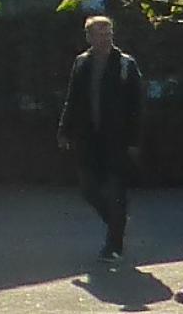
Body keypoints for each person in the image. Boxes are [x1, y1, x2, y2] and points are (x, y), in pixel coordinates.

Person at [57, 13, 144, 262]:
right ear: (89, 37)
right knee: (88, 188)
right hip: (88, 137)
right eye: (100, 34)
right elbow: (72, 98)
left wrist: (134, 140)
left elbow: (137, 104)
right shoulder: (81, 63)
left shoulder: (126, 64)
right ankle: (116, 223)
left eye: (109, 34)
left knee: (117, 190)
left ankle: (113, 244)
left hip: (116, 138)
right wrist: (64, 129)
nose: (106, 39)